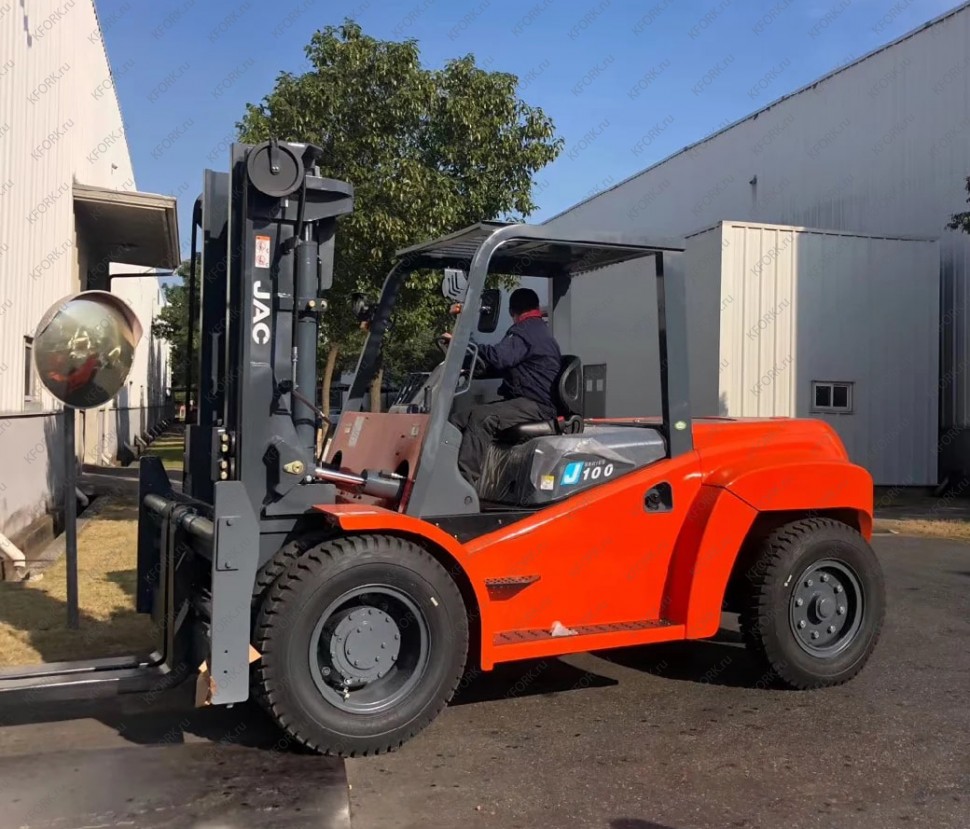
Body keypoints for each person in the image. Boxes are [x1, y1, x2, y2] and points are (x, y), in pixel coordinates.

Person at [446, 287, 562, 488]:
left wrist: (464, 345)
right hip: (527, 401)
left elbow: (499, 357)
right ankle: (445, 474)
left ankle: (463, 485)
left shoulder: (525, 331)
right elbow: (500, 364)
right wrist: (469, 364)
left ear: (511, 311)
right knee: (458, 420)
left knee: (482, 419)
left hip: (536, 404)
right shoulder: (536, 331)